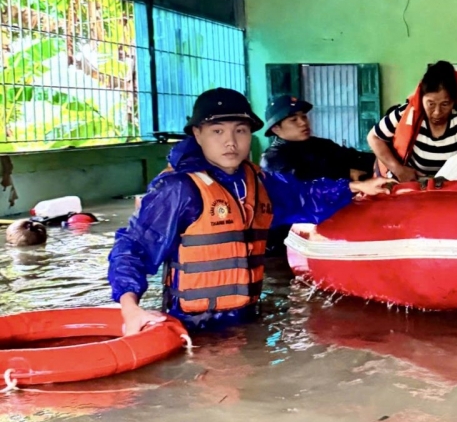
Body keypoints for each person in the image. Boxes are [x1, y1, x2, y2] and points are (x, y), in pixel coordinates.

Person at [108, 88, 390, 335]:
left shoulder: (259, 182)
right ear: (197, 134)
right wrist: (130, 309)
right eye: (217, 132)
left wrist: (357, 187)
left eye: (240, 131)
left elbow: (305, 196)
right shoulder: (177, 189)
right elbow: (134, 247)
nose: (230, 142)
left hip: (248, 321)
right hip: (192, 326)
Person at [368, 61, 457, 181]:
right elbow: (373, 137)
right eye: (431, 104)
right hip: (414, 191)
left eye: (445, 104)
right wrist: (398, 169)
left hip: (453, 193)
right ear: (421, 98)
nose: (437, 112)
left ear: (454, 102)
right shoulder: (405, 114)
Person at [261, 94, 376, 183]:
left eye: (304, 117)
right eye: (293, 120)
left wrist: (381, 158)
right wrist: (346, 173)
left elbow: (350, 157)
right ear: (276, 128)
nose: (303, 123)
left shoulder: (321, 145)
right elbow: (302, 180)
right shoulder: (273, 159)